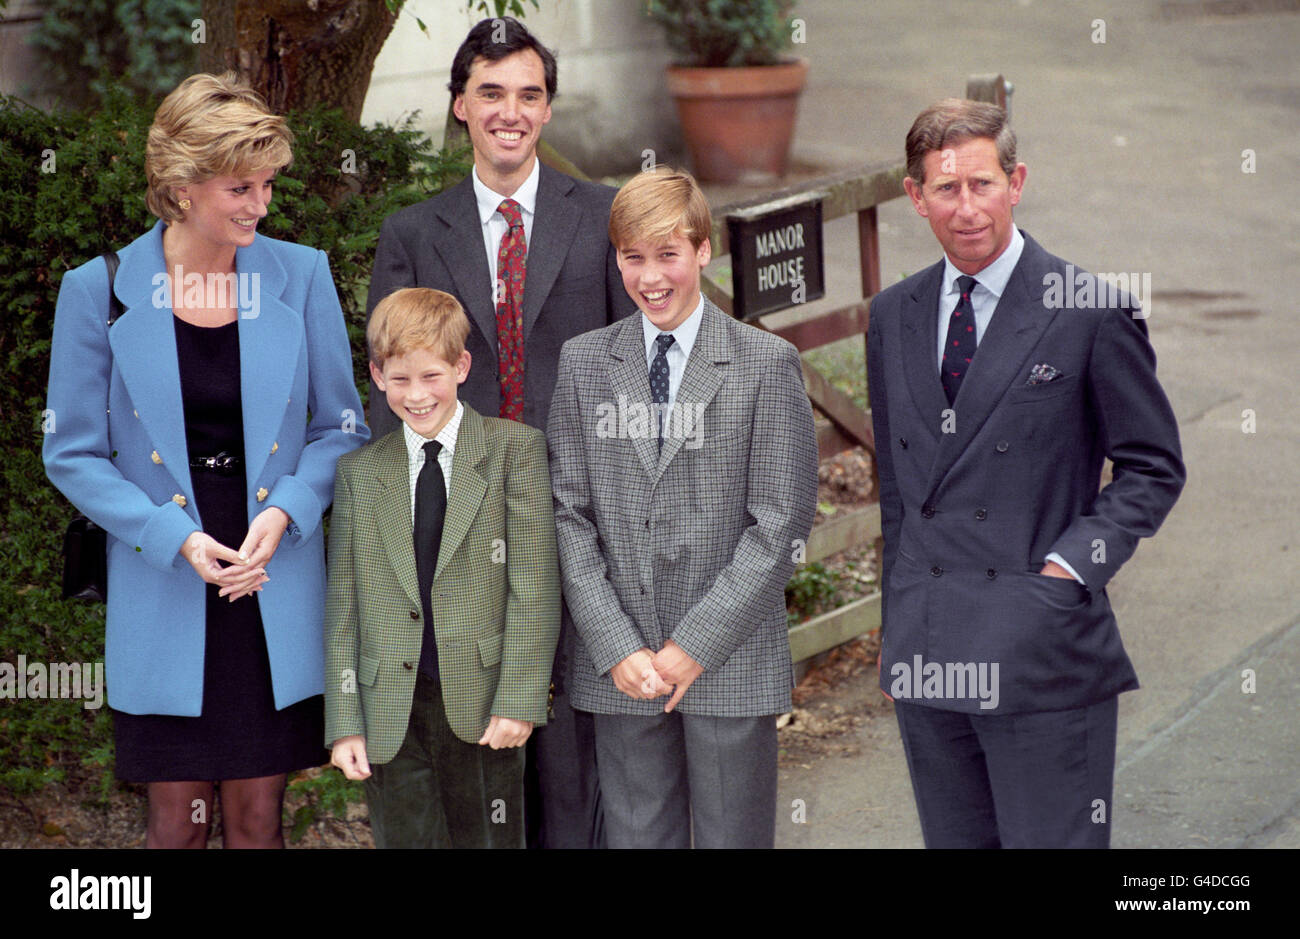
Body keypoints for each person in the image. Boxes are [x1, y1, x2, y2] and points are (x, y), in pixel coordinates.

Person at [42, 72, 369, 848]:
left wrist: (288, 510)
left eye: (265, 184)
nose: (261, 204)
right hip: (164, 578)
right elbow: (73, 451)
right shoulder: (99, 291)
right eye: (240, 187)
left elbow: (343, 426)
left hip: (272, 577)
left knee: (260, 824)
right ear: (182, 187)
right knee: (174, 826)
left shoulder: (303, 273)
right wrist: (171, 536)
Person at [867, 98, 1185, 848]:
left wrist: (1070, 569)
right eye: (946, 189)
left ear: (1017, 182)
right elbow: (897, 491)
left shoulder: (1089, 310)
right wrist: (896, 617)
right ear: (915, 196)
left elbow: (1152, 467)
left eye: (983, 183)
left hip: (1039, 646)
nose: (967, 207)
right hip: (929, 644)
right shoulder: (894, 314)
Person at [366, 16, 634, 849]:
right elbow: (388, 393)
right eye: (490, 93)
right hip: (462, 528)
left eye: (529, 94)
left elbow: (631, 367)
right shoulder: (414, 233)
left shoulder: (601, 217)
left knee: (574, 751)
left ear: (548, 109)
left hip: (582, 517)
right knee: (480, 744)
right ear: (459, 107)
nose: (509, 111)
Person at [547, 167, 819, 848]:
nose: (650, 276)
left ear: (703, 251)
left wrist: (694, 645)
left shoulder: (764, 362)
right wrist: (615, 645)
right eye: (632, 257)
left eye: (667, 254)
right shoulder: (584, 364)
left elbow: (780, 522)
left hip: (728, 656)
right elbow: (568, 516)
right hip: (623, 664)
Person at [325, 286, 560, 849]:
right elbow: (343, 609)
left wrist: (519, 699)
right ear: (378, 377)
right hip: (390, 713)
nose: (417, 394)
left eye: (431, 376)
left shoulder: (514, 452)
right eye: (400, 379)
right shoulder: (360, 473)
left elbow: (532, 586)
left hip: (483, 703)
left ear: (461, 366)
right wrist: (345, 722)